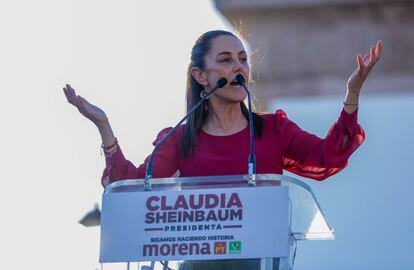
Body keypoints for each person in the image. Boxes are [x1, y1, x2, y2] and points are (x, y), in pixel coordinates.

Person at [63, 30, 381, 270]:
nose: (238, 67)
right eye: (226, 60)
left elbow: (329, 156)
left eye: (243, 59)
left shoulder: (273, 130)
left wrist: (352, 94)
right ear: (201, 76)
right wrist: (104, 128)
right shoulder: (181, 137)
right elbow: (131, 187)